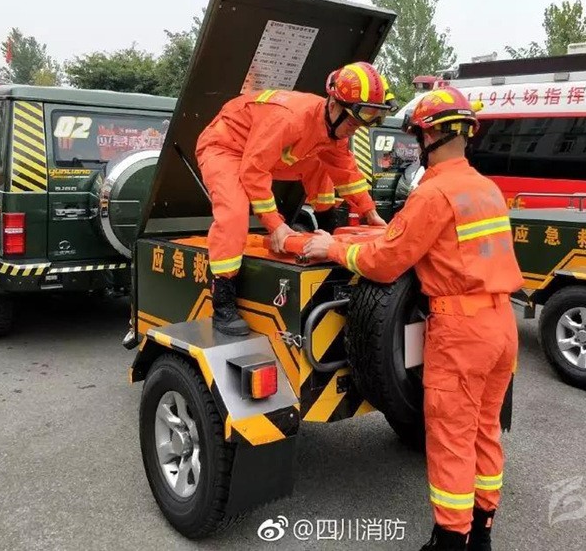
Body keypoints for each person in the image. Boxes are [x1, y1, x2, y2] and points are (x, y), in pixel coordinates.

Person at [304, 87, 523, 551]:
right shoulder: (486, 188)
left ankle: (450, 540)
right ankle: (481, 532)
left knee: (451, 437)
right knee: (484, 431)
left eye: (418, 136)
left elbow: (385, 262)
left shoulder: (433, 193)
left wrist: (332, 248)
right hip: (502, 325)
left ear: (428, 136)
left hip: (461, 332)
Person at [196, 61, 394, 335]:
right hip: (225, 147)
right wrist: (276, 226)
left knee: (322, 165)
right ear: (333, 105)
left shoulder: (330, 129)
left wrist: (370, 214)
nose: (354, 129)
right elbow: (254, 171)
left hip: (260, 150)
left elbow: (346, 171)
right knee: (234, 213)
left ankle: (327, 226)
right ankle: (223, 298)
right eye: (352, 122)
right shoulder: (289, 119)